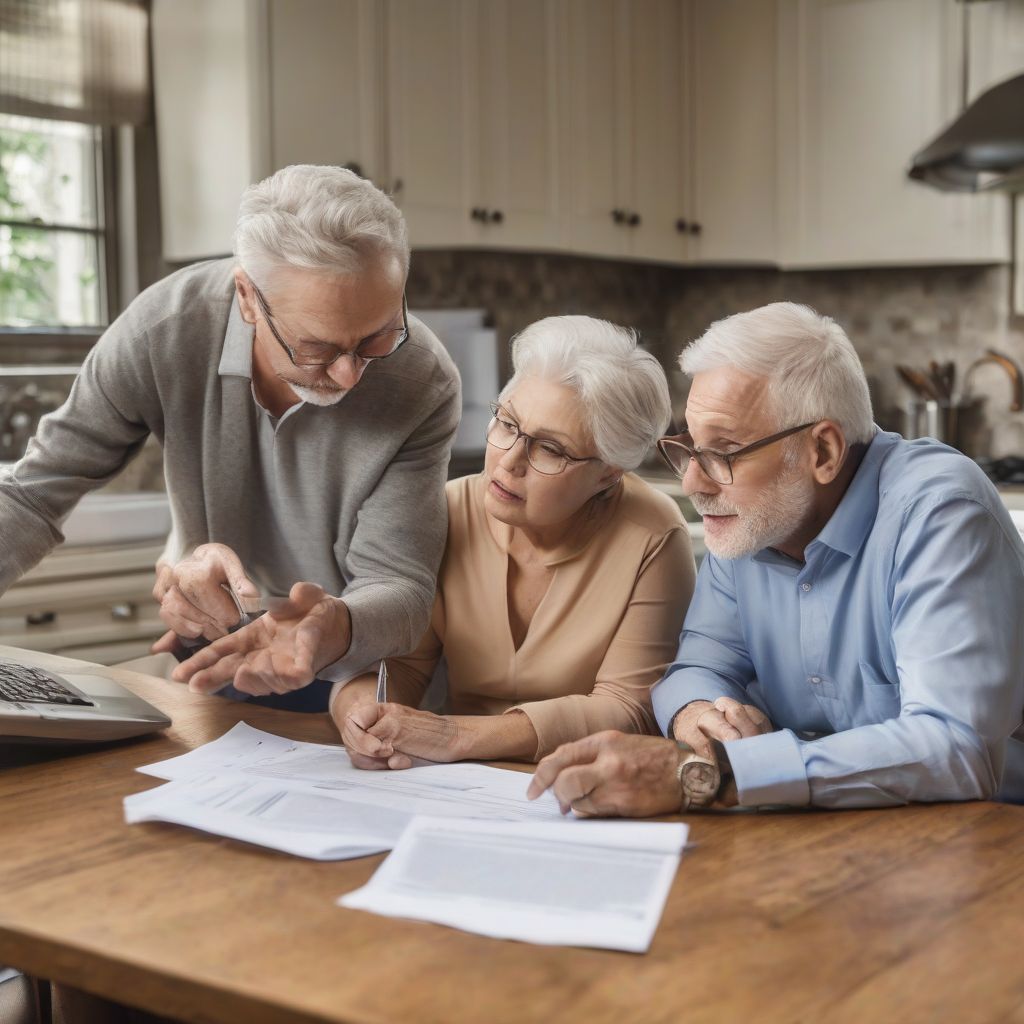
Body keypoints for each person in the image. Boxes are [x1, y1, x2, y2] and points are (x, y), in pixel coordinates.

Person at [528, 301, 1024, 815]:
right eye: (691, 448)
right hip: (824, 831)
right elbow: (698, 666)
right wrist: (698, 715)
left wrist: (717, 775)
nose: (694, 481)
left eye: (724, 451)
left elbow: (956, 746)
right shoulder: (753, 522)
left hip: (989, 838)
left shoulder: (938, 511)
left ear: (823, 453)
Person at [0, 165, 460, 712]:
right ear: (247, 296)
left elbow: (401, 587)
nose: (349, 375)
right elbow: (31, 494)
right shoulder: (163, 331)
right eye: (316, 349)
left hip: (356, 674)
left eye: (377, 338)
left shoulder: (422, 380)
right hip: (209, 652)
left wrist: (327, 627)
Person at [333, 315, 697, 768]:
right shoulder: (447, 511)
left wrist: (454, 735)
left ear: (608, 472)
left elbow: (629, 709)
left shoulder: (652, 535)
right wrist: (362, 717)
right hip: (459, 786)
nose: (508, 462)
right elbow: (397, 666)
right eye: (507, 424)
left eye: (550, 449)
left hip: (583, 786)